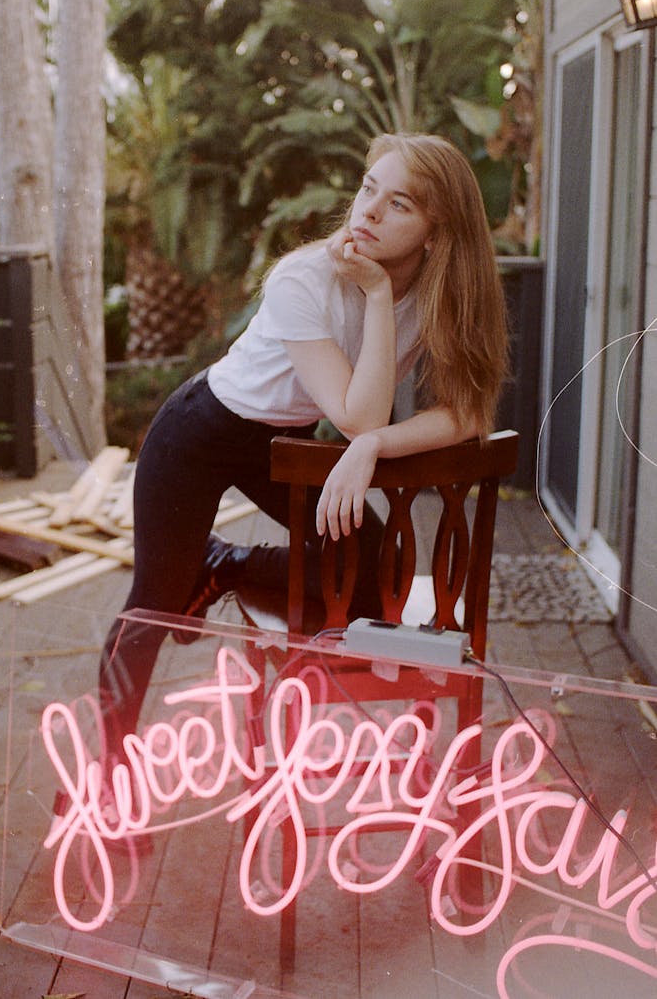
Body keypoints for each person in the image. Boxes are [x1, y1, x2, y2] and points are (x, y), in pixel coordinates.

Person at [99, 132, 508, 758]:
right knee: (153, 605)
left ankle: (224, 565)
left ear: (436, 232)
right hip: (200, 432)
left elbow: (467, 412)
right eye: (369, 189)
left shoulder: (439, 295)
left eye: (399, 204)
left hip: (286, 443)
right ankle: (104, 780)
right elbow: (355, 416)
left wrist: (373, 449)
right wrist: (374, 297)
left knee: (381, 573)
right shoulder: (303, 278)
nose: (368, 210)